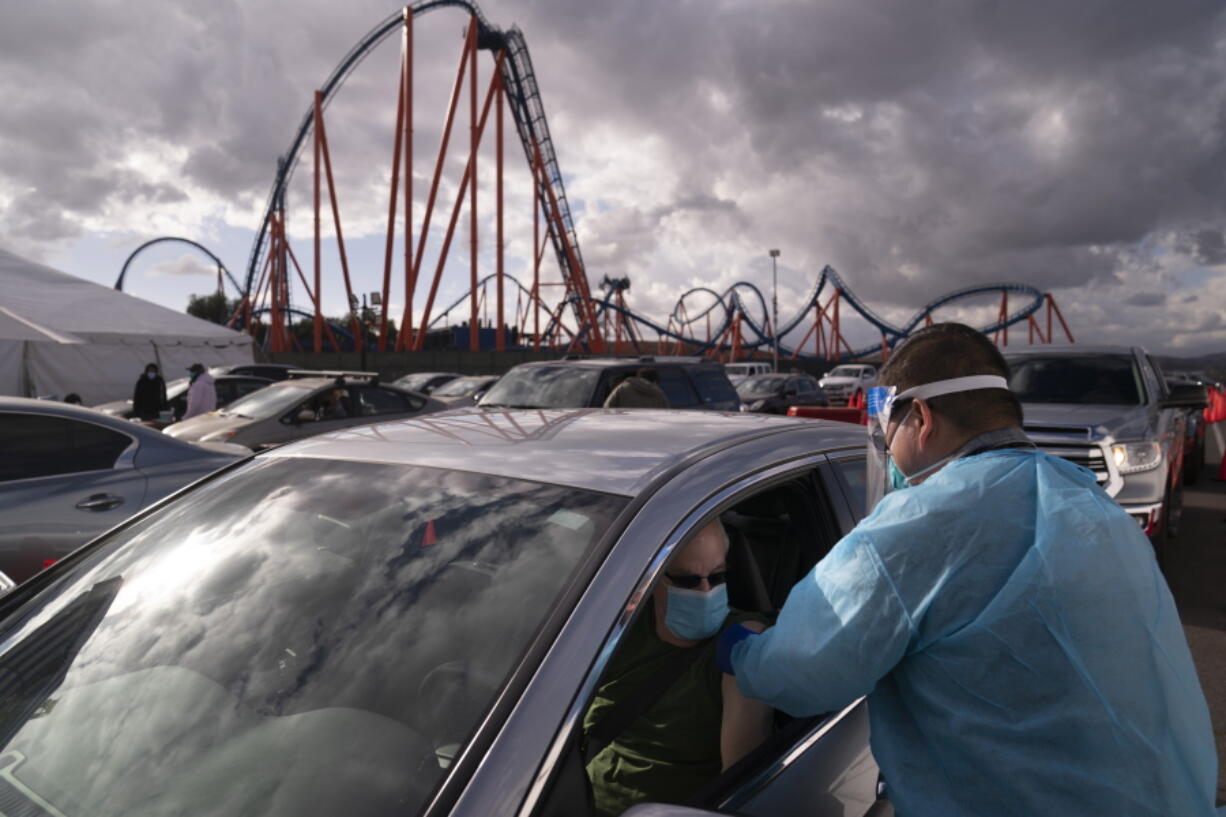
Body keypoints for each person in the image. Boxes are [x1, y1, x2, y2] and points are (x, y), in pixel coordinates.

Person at [717, 323, 1222, 817]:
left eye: (887, 432)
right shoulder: (1090, 503)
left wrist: (743, 651)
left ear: (921, 418)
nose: (886, 451)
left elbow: (804, 673)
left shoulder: (918, 525)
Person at [583, 520, 771, 817]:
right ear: (652, 579)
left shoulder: (741, 644)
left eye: (718, 575)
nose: (706, 590)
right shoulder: (617, 630)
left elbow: (739, 780)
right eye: (687, 580)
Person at [603, 368, 670, 408]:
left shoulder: (622, 388)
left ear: (638, 377)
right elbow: (667, 414)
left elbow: (607, 407)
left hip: (623, 427)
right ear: (654, 381)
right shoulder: (659, 394)